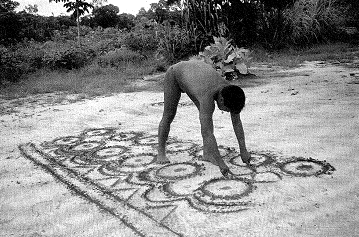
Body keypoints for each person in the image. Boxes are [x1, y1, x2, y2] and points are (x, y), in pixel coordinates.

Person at [156, 60, 251, 177]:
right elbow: (207, 133)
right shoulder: (207, 98)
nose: (228, 113)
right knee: (169, 115)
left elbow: (237, 122)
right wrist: (221, 164)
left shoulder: (230, 91)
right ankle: (161, 152)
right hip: (175, 74)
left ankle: (208, 154)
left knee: (205, 118)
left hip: (193, 78)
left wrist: (243, 150)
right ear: (221, 100)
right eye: (227, 110)